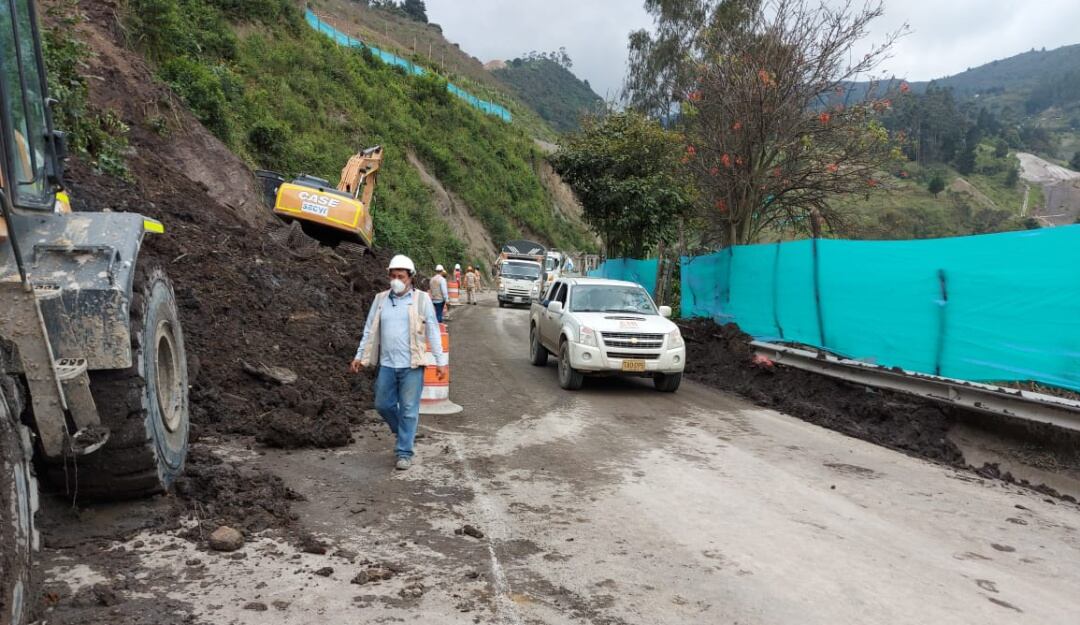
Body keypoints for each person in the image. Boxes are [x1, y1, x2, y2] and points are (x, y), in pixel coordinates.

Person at [351, 255, 447, 471]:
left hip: (412, 365)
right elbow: (369, 329)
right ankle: (403, 431)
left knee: (409, 409)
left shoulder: (422, 300)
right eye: (393, 276)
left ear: (410, 277)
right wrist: (359, 355)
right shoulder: (380, 300)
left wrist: (440, 362)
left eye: (400, 276)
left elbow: (433, 331)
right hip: (387, 364)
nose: (396, 280)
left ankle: (404, 452)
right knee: (382, 404)